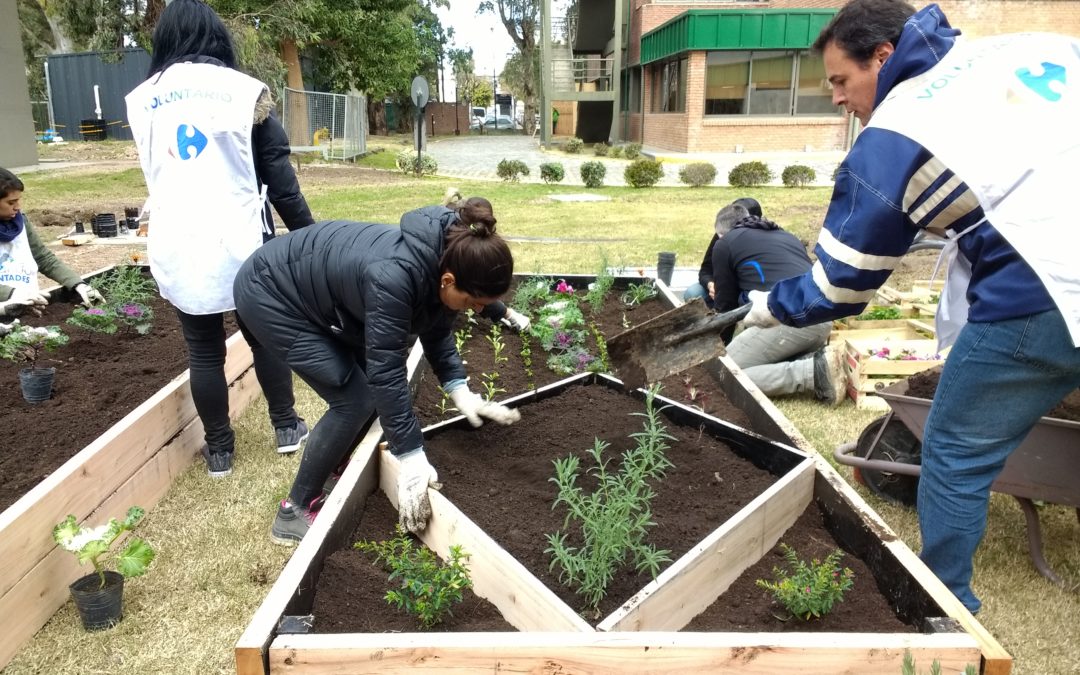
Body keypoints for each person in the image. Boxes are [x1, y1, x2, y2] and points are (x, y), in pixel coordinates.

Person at [739, 0, 1080, 614]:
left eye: (841, 81)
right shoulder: (1027, 47)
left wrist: (771, 309)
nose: (838, 100)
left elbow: (842, 284)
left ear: (884, 56)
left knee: (953, 449)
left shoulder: (899, 128)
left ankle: (941, 608)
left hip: (1046, 289)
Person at [234, 197, 522, 544]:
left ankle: (331, 472)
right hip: (271, 292)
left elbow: (437, 327)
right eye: (473, 302)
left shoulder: (447, 256)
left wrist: (460, 390)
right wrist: (412, 456)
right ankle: (293, 511)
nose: (476, 310)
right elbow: (386, 371)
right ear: (448, 280)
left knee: (364, 393)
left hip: (315, 288)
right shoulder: (396, 277)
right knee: (354, 398)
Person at [125, 0, 315, 478]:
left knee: (202, 348)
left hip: (179, 239)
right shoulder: (243, 93)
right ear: (216, 37)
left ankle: (220, 451)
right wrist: (313, 239)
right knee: (264, 338)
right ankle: (287, 427)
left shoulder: (141, 99)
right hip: (243, 239)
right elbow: (281, 181)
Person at [707, 200, 844, 404]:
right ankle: (817, 360)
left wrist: (717, 348)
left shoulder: (725, 244)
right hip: (821, 322)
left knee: (723, 372)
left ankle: (810, 373)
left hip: (787, 319)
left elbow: (726, 306)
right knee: (748, 358)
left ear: (721, 233)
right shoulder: (785, 236)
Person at [0, 168, 104, 317]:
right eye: (11, 202)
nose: (18, 206)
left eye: (18, 200)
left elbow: (43, 258)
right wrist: (12, 293)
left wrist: (78, 284)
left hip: (28, 308)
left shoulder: (20, 222)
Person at [682, 196, 762, 308]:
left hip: (747, 291)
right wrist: (710, 284)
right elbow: (705, 270)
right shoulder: (722, 233)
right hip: (720, 287)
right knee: (693, 293)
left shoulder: (761, 241)